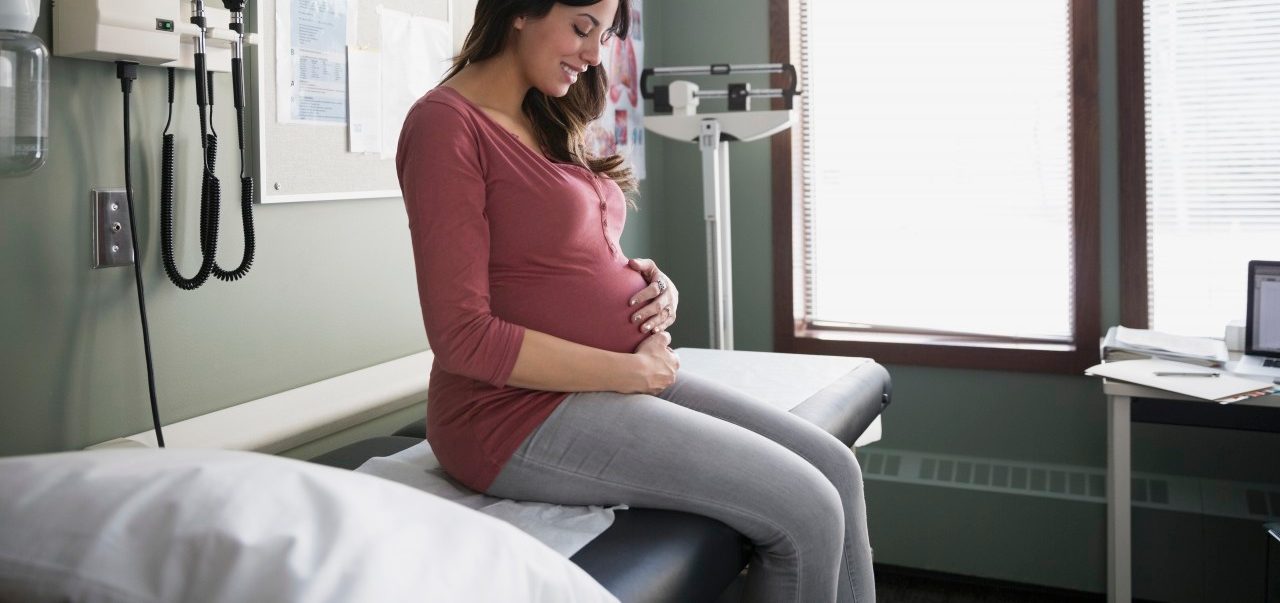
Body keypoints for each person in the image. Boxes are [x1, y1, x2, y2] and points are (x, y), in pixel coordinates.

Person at [394, 1, 874, 601]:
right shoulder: (445, 125)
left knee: (836, 467)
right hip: (510, 414)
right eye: (580, 28)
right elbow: (462, 335)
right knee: (805, 510)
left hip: (612, 378)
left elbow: (553, 255)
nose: (595, 54)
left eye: (604, 34)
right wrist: (631, 371)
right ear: (519, 10)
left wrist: (643, 278)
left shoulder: (540, 116)